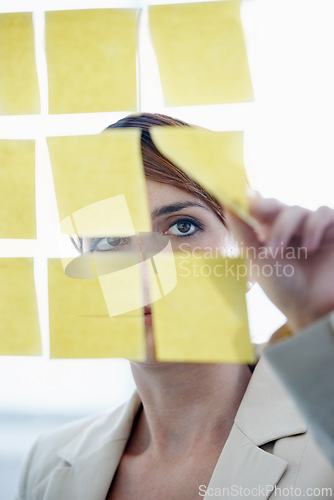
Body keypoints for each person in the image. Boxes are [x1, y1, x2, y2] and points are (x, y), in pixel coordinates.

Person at [17, 114, 334, 500]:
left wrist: (318, 319)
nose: (143, 274)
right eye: (108, 242)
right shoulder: (46, 466)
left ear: (246, 259)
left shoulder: (325, 440)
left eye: (182, 226)